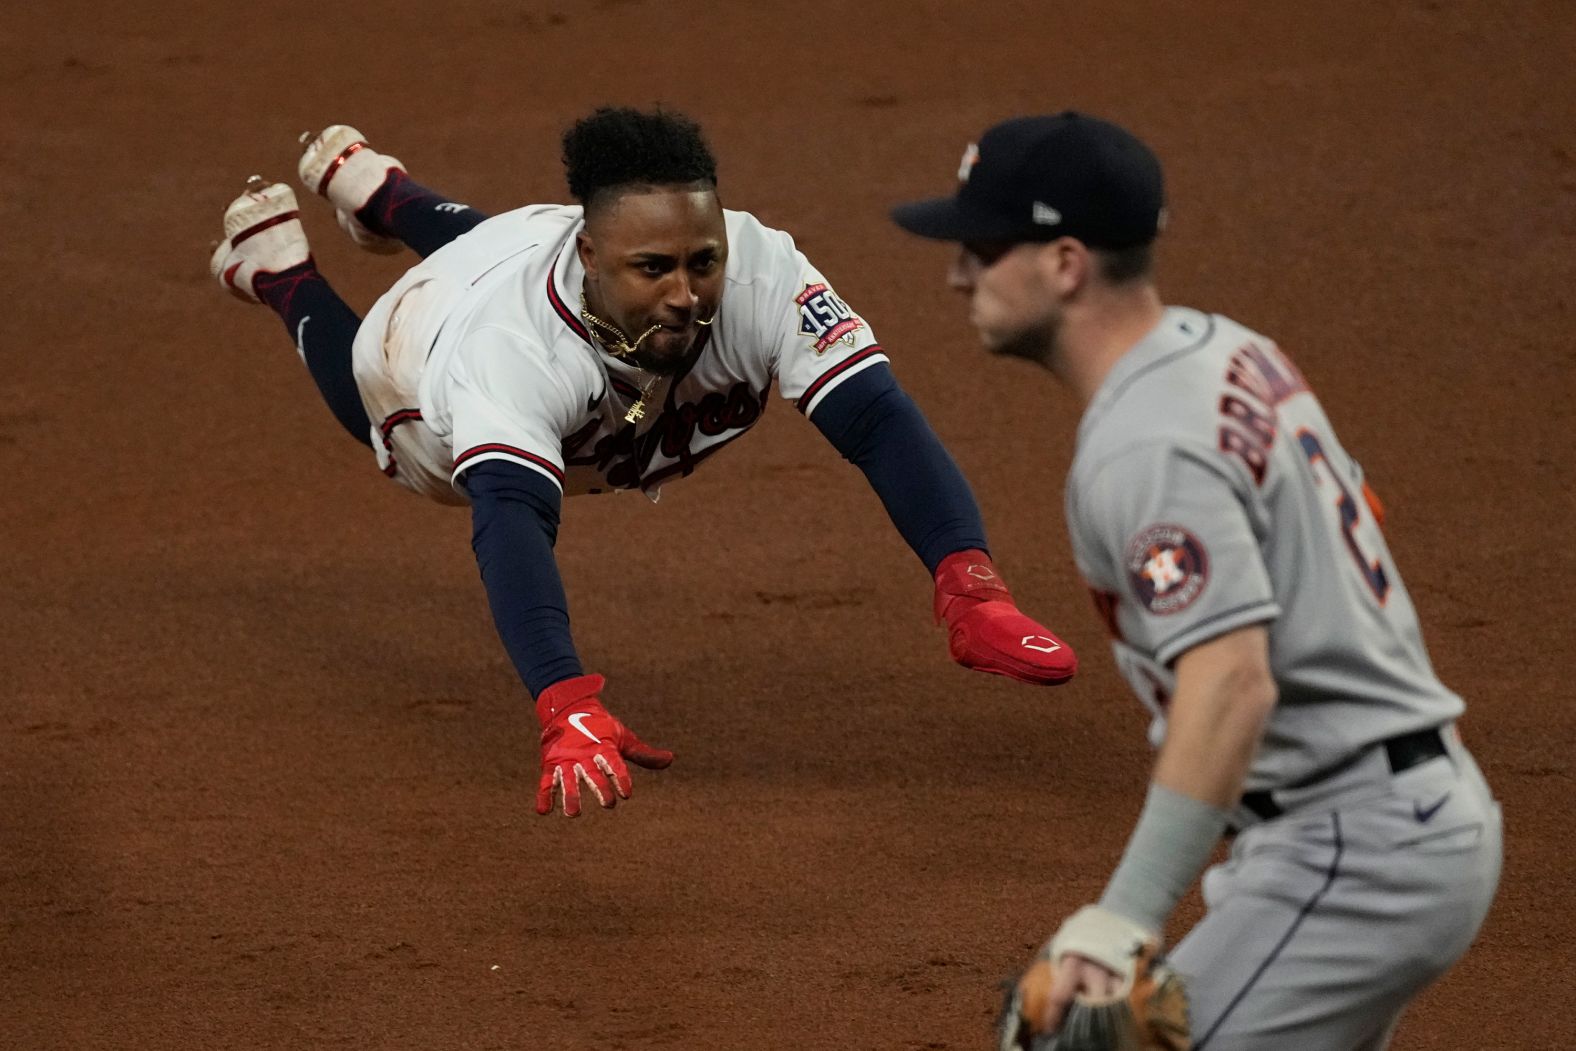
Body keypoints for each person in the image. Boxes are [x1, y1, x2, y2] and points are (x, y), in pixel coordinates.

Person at [207, 107, 1079, 819]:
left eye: (703, 262)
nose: (687, 292)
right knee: (376, 412)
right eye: (656, 268)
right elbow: (512, 522)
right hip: (424, 357)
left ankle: (385, 194)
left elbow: (877, 417)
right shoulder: (504, 357)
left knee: (512, 238)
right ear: (590, 257)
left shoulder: (752, 265)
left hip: (524, 244)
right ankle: (281, 273)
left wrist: (969, 580)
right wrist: (563, 699)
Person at [891, 112, 1502, 1049]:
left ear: (1064, 263)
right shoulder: (1227, 349)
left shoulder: (1148, 440)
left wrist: (1123, 920)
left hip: (1357, 851)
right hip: (1379, 822)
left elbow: (1232, 680)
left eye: (982, 245)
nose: (958, 272)